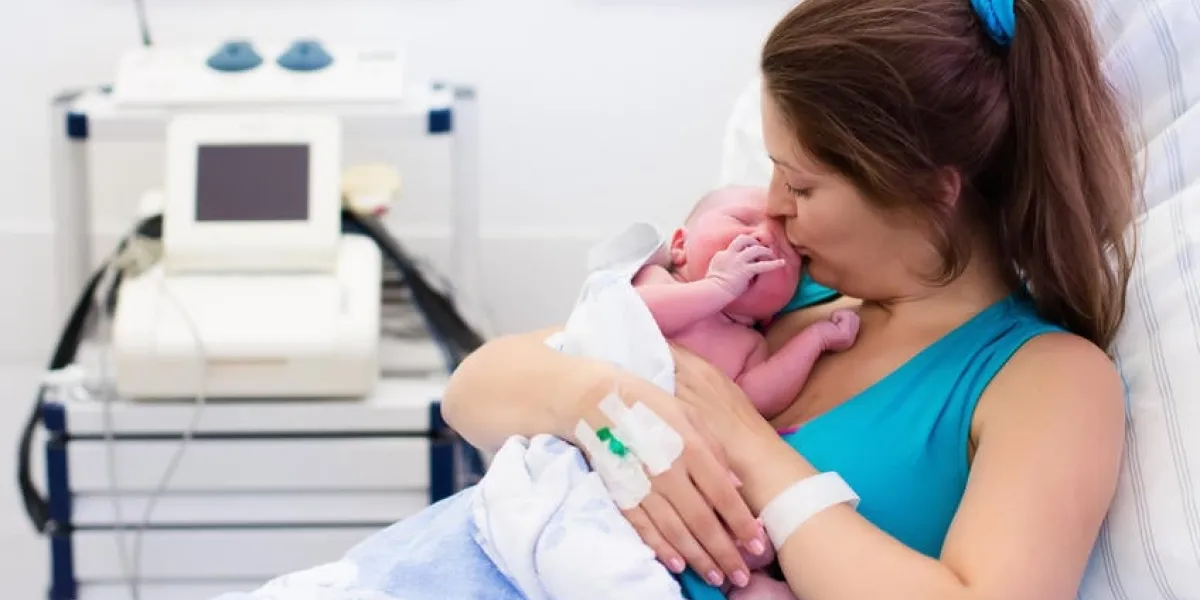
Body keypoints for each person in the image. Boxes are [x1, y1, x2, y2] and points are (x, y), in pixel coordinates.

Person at [443, 0, 1136, 598]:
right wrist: (598, 406)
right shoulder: (776, 290)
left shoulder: (1047, 381)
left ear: (931, 188)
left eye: (800, 187)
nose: (771, 207)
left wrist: (749, 444)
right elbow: (473, 392)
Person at [635, 185, 859, 421]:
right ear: (680, 246)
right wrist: (717, 287)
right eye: (741, 219)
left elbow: (753, 403)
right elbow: (629, 316)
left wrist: (816, 339)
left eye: (787, 249)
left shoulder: (750, 345)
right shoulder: (657, 279)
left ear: (773, 311)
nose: (765, 237)